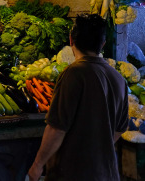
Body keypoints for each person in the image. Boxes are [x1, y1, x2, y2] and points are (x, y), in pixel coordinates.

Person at [28, 14, 128, 181]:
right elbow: (120, 129)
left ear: (71, 40)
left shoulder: (73, 74)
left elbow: (56, 129)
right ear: (102, 44)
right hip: (107, 173)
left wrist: (37, 165)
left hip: (74, 172)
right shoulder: (118, 78)